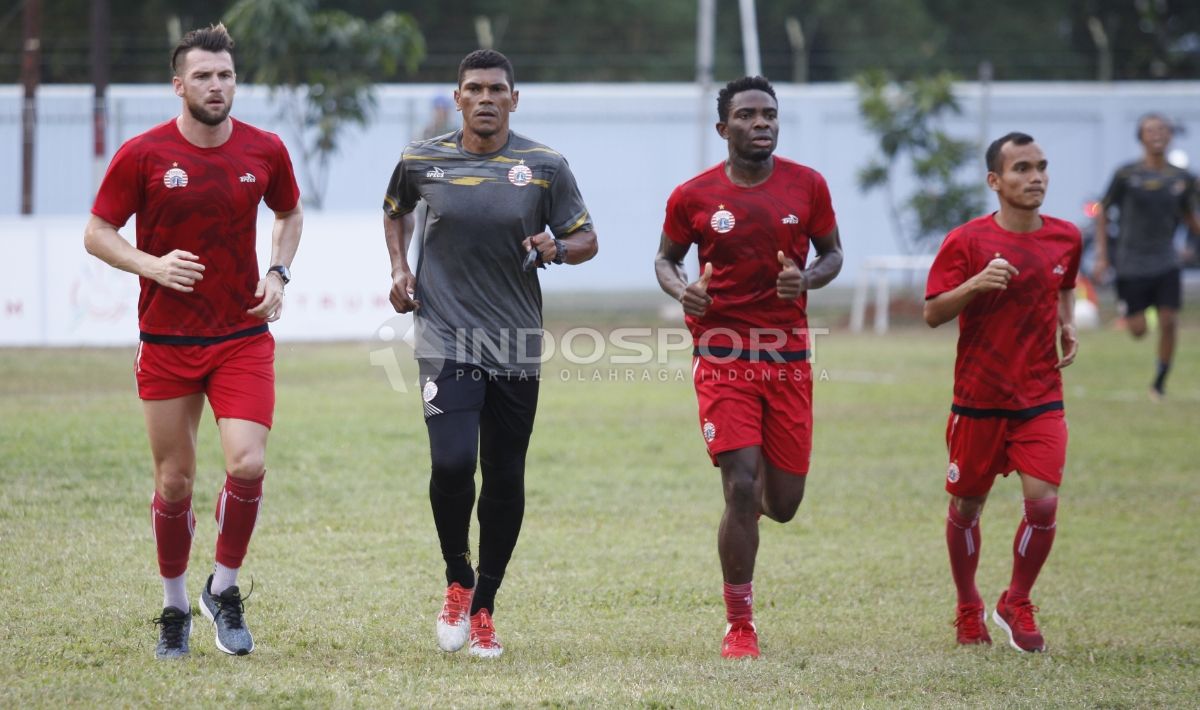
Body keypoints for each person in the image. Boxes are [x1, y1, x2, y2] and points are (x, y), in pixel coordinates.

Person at [83, 23, 303, 659]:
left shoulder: (265, 150)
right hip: (167, 339)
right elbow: (98, 232)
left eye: (225, 75)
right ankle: (175, 605)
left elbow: (289, 213)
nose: (216, 85)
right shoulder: (143, 154)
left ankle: (223, 590)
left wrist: (278, 272)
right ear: (179, 85)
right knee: (174, 482)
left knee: (248, 462)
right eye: (203, 76)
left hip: (241, 335)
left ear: (236, 82)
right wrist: (151, 265)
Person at [381, 49, 598, 659]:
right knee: (452, 465)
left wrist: (555, 248)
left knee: (504, 477)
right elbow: (395, 212)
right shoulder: (421, 161)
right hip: (445, 337)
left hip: (516, 344)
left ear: (513, 99)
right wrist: (399, 269)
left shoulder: (545, 166)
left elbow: (588, 239)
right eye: (473, 88)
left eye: (496, 89)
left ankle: (485, 608)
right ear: (457, 98)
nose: (485, 98)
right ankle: (457, 577)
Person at [654, 76, 844, 659]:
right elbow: (665, 260)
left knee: (781, 504)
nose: (761, 123)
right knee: (740, 486)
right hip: (722, 353)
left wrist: (806, 278)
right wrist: (683, 291)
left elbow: (834, 253)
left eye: (769, 114)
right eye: (747, 115)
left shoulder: (808, 186)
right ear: (724, 128)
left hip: (786, 357)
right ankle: (740, 624)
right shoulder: (693, 196)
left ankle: (757, 490)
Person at [924, 132, 1080, 653]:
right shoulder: (966, 242)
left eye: (1041, 166)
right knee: (968, 507)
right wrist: (975, 284)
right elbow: (932, 313)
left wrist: (1068, 322)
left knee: (1043, 504)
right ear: (995, 181)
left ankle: (1016, 599)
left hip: (1040, 397)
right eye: (1021, 169)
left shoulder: (1065, 237)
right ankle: (968, 607)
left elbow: (1063, 282)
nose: (1035, 177)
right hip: (978, 399)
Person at [1092, 113, 1200, 400]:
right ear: (1140, 137)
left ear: (1170, 136)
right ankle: (1131, 312)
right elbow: (1102, 210)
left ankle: (1159, 383)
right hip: (1130, 262)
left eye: (1163, 129)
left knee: (1169, 321)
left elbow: (1190, 216)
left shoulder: (1183, 178)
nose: (1158, 134)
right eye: (1151, 130)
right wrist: (1103, 257)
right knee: (1138, 330)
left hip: (1166, 260)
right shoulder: (1126, 175)